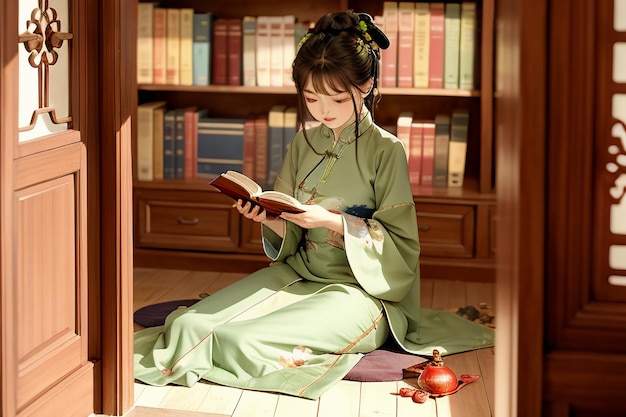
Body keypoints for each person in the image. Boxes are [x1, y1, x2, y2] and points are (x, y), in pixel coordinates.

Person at [134, 10, 494, 400]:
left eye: (338, 98)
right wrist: (267, 217)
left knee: (242, 339)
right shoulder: (302, 142)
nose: (324, 110)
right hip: (298, 272)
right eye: (311, 97)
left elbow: (402, 247)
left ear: (367, 84)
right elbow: (290, 225)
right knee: (188, 326)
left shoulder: (387, 150)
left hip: (362, 294)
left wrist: (332, 221)